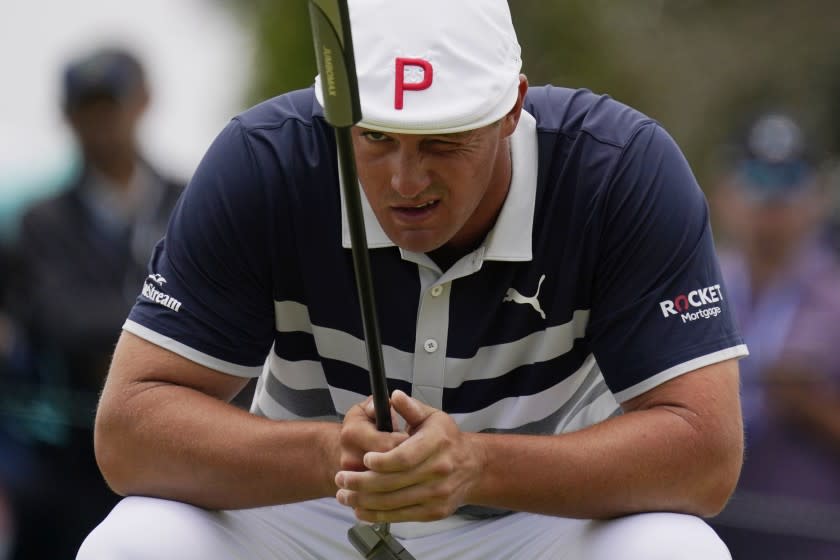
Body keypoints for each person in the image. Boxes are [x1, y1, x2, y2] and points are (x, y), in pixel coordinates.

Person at [77, 2, 748, 558]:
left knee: (677, 548)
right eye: (375, 138)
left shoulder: (621, 170)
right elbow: (129, 433)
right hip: (310, 510)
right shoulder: (265, 162)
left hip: (537, 517)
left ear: (511, 109)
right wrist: (328, 453)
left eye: (442, 142)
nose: (404, 182)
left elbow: (706, 454)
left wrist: (479, 466)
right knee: (136, 543)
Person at [5, 46, 184, 559]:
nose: (100, 121)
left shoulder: (191, 202)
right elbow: (60, 322)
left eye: (110, 103)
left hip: (182, 451)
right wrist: (169, 314)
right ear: (68, 117)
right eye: (87, 108)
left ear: (142, 101)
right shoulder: (40, 222)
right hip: (73, 459)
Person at [708, 112, 840, 559]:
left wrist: (811, 403)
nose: (772, 202)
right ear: (724, 194)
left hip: (813, 535)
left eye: (789, 181)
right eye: (756, 178)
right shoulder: (691, 284)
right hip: (708, 529)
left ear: (818, 196)